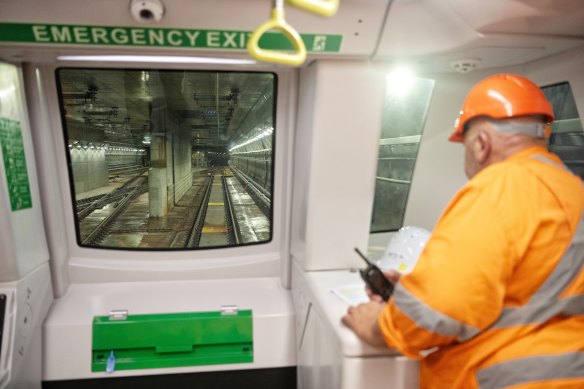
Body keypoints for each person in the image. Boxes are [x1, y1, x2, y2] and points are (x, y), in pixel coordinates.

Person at [342, 74, 584, 388]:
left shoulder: (496, 188)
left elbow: (437, 312)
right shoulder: (571, 188)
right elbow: (537, 289)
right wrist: (418, 285)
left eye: (464, 145)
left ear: (481, 144)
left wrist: (377, 326)